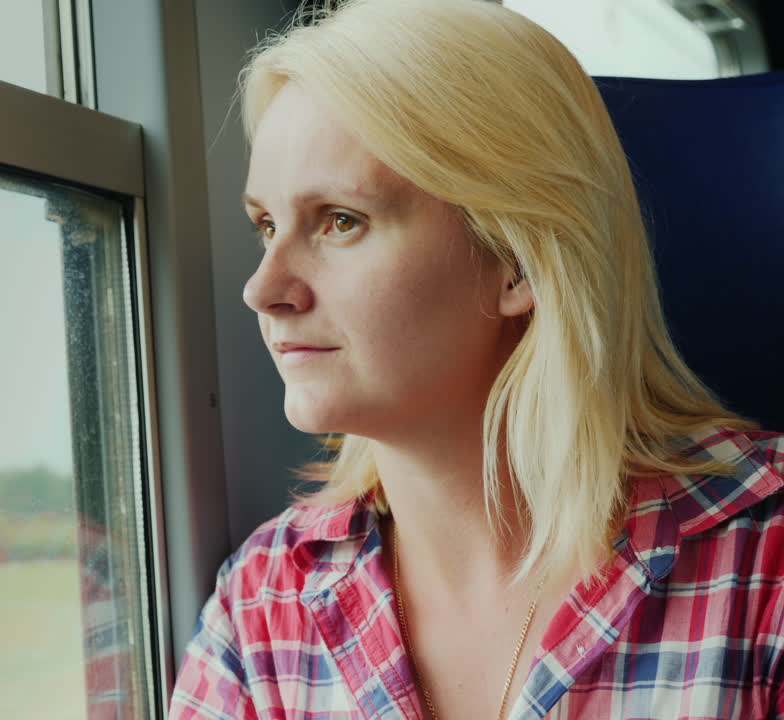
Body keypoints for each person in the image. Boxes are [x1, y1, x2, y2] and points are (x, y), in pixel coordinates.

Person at [168, 1, 784, 719]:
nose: (262, 289)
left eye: (340, 221)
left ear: (516, 260)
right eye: (267, 225)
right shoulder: (259, 613)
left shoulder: (765, 564)